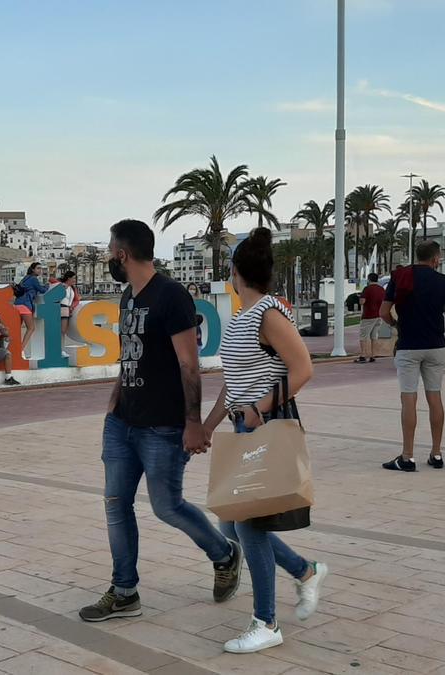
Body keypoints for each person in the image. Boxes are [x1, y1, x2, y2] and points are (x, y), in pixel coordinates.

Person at [79, 219, 241, 623]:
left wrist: (193, 423)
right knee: (116, 504)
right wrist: (115, 401)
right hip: (122, 423)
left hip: (163, 426)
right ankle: (124, 591)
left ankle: (224, 553)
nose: (109, 260)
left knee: (167, 506)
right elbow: (129, 355)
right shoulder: (128, 298)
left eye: (110, 252)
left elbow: (190, 365)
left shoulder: (171, 296)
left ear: (122, 254)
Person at [201, 227, 327, 655]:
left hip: (263, 427)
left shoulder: (268, 314)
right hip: (243, 427)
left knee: (249, 523)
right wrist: (210, 423)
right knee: (234, 521)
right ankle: (304, 570)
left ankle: (266, 621)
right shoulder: (242, 317)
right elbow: (233, 383)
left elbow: (303, 368)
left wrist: (258, 408)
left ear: (235, 273)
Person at [379, 240, 445, 471]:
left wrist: (397, 324)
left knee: (409, 399)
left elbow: (383, 312)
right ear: (436, 259)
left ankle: (407, 456)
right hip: (436, 345)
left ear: (417, 256)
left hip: (409, 345)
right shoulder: (444, 281)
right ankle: (436, 453)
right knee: (435, 397)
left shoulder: (401, 276)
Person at [14, 263, 49, 358]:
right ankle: (20, 350)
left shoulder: (25, 278)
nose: (40, 270)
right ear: (33, 269)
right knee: (31, 328)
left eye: (41, 268)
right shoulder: (33, 279)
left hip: (17, 304)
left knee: (17, 329)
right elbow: (42, 290)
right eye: (38, 268)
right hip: (25, 305)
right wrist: (47, 286)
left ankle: (14, 348)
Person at [355, 273, 386, 364]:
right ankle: (373, 355)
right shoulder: (381, 290)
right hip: (378, 315)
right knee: (374, 336)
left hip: (368, 316)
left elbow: (362, 302)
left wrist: (360, 297)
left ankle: (363, 355)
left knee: (363, 336)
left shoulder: (367, 289)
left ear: (369, 279)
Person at [54, 269, 80, 357]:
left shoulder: (73, 288)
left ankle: (61, 349)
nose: (74, 280)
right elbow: (51, 281)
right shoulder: (61, 285)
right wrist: (61, 285)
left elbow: (77, 299)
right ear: (68, 278)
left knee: (63, 331)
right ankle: (59, 349)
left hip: (67, 309)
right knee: (61, 330)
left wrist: (72, 306)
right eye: (73, 278)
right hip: (60, 308)